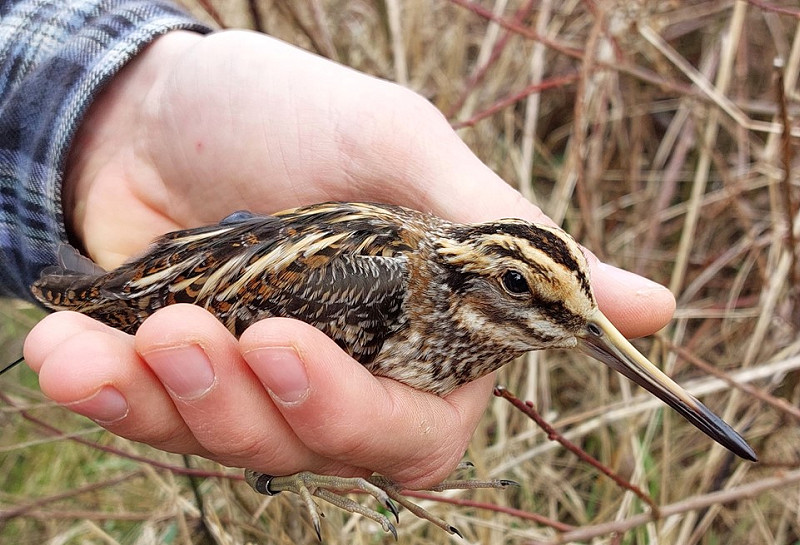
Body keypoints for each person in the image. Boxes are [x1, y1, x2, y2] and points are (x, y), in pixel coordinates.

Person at [1, 0, 676, 491]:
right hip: (165, 289)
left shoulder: (457, 304)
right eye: (523, 290)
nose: (570, 325)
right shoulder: (379, 286)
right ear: (473, 280)